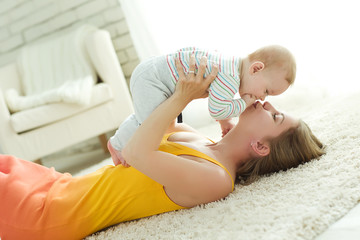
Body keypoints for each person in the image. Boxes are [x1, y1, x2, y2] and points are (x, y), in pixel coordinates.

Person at [0, 56, 323, 240]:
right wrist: (200, 88)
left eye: (275, 116)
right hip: (58, 184)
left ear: (261, 148)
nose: (266, 103)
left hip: (47, 215)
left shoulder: (215, 179)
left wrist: (182, 96)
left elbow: (138, 153)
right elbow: (147, 118)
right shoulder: (203, 140)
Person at [109, 45, 296, 166]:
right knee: (150, 124)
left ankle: (119, 140)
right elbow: (217, 108)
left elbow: (219, 101)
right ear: (256, 69)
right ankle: (117, 144)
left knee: (151, 117)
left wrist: (224, 123)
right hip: (154, 80)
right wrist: (243, 102)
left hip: (152, 71)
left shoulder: (231, 66)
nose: (262, 99)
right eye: (267, 91)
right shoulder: (230, 79)